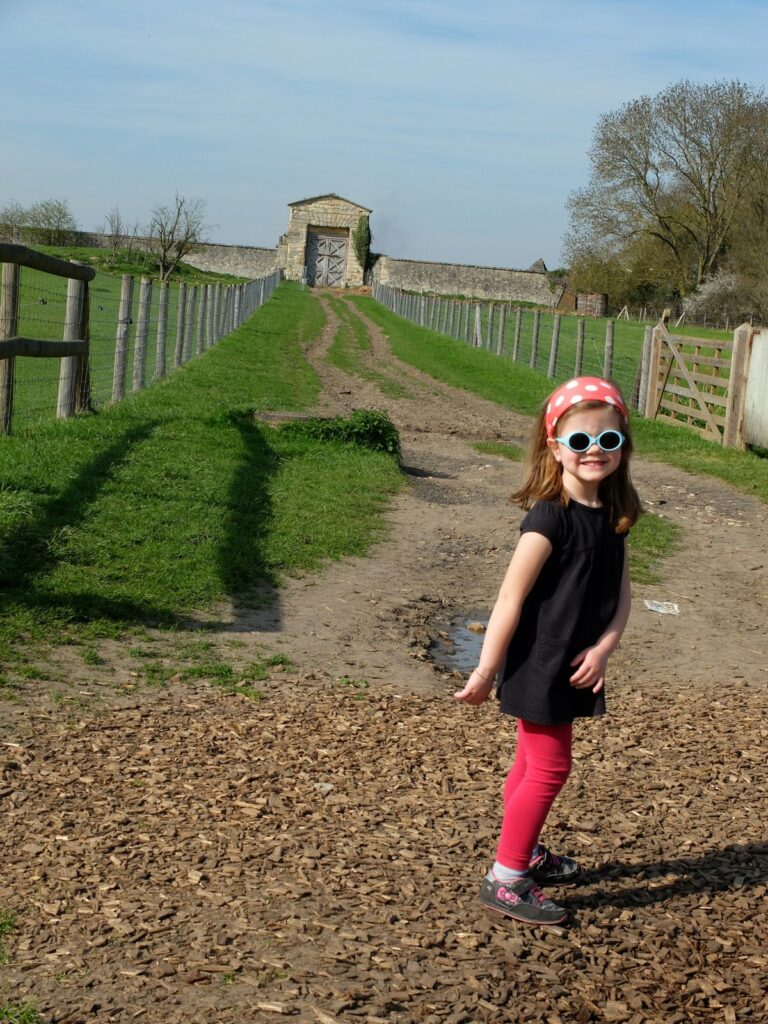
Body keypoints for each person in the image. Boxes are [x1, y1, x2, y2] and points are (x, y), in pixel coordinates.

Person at [454, 376, 641, 925]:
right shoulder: (548, 518)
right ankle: (507, 876)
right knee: (551, 767)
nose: (594, 453)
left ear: (622, 447)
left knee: (532, 760)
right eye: (579, 442)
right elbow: (509, 599)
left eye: (608, 441)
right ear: (555, 447)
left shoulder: (615, 515)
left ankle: (524, 851)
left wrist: (606, 646)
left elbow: (623, 593)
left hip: (574, 661)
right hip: (540, 663)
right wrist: (487, 668)